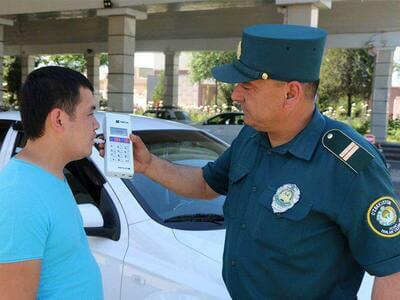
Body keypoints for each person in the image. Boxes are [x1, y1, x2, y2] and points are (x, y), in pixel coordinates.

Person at [104, 24, 400, 298]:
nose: (235, 95)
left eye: (247, 86)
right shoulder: (252, 137)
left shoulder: (349, 165)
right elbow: (207, 184)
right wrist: (148, 165)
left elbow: (391, 270)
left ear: (290, 93)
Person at [0, 66, 103, 299]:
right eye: (90, 113)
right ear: (58, 119)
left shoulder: (51, 176)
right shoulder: (19, 196)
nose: (96, 125)